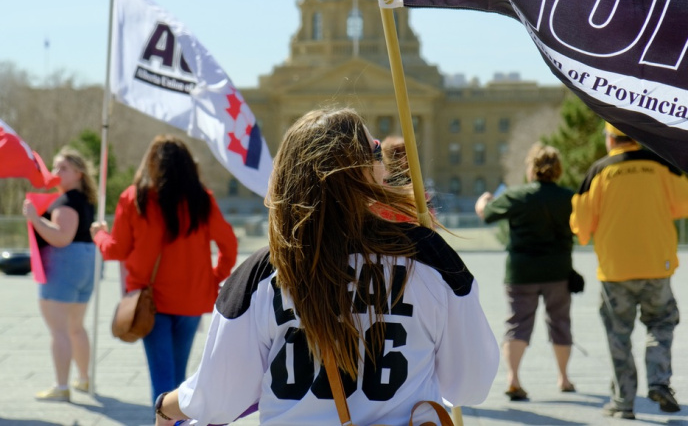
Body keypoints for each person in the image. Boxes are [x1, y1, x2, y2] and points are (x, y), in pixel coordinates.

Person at [152, 108, 499, 426]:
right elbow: (471, 384)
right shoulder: (429, 259)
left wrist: (165, 406)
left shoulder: (261, 272)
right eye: (375, 150)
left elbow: (219, 397)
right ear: (368, 171)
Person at [90, 135, 238, 414]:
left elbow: (116, 251)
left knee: (162, 380)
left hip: (150, 302)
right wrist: (215, 277)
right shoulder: (201, 200)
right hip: (192, 301)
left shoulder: (135, 199)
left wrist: (99, 235)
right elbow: (229, 244)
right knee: (178, 381)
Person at [571, 122, 688, 420]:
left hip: (615, 271)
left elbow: (581, 227)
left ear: (610, 139)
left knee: (618, 335)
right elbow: (682, 204)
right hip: (656, 265)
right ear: (635, 139)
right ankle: (659, 381)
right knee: (661, 323)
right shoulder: (660, 165)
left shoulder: (597, 172)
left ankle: (623, 403)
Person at [475, 143, 576, 402]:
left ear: (532, 169)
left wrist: (484, 200)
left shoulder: (517, 195)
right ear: (557, 169)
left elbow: (486, 215)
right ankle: (564, 378)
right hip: (558, 270)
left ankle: (513, 379)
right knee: (560, 323)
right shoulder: (569, 197)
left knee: (518, 324)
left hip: (522, 271)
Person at [22, 147, 97, 402]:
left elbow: (62, 237)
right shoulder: (85, 200)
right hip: (86, 263)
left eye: (62, 168)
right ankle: (84, 379)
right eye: (54, 167)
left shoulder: (66, 203)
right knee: (76, 327)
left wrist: (34, 218)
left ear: (78, 173)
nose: (56, 173)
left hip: (65, 264)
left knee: (60, 330)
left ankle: (62, 386)